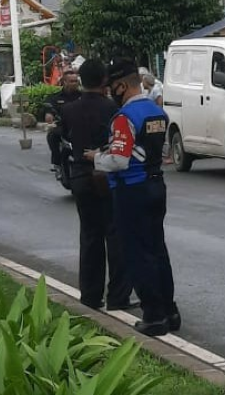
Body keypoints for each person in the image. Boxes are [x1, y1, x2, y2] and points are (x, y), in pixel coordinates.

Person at [93, 59, 178, 337]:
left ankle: (154, 316)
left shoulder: (124, 118)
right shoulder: (156, 112)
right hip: (157, 185)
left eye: (111, 88)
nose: (109, 93)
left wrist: (96, 158)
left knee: (137, 254)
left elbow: (118, 160)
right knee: (157, 249)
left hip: (132, 189)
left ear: (121, 85)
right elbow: (162, 149)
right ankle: (169, 310)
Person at [64, 59, 134, 312]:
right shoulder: (114, 108)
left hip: (81, 178)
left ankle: (90, 296)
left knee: (90, 237)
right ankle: (118, 296)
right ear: (104, 80)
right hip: (108, 177)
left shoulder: (70, 110)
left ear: (81, 80)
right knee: (115, 237)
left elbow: (57, 137)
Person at [45, 68, 82, 172]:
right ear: (64, 82)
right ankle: (57, 163)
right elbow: (49, 111)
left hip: (82, 126)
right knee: (52, 135)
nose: (74, 84)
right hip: (64, 127)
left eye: (76, 81)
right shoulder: (55, 98)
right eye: (71, 81)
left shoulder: (83, 97)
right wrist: (49, 116)